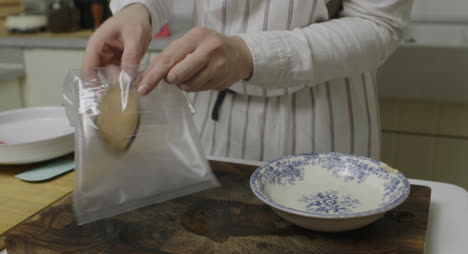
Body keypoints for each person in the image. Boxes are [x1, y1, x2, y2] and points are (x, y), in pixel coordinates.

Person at [81, 0, 413, 162]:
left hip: (321, 121)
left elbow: (377, 23)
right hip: (209, 119)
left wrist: (249, 54)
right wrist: (137, 8)